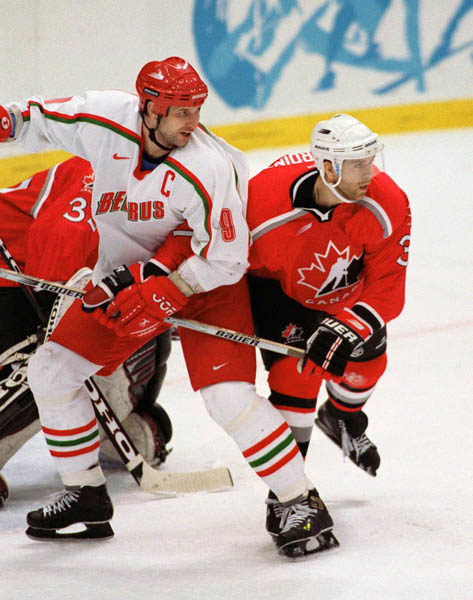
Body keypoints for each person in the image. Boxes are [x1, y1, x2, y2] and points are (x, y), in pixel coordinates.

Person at [0, 57, 332, 557]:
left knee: (227, 397)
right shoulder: (105, 118)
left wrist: (165, 288)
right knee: (52, 371)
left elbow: (226, 258)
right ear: (148, 107)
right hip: (123, 282)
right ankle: (86, 494)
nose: (191, 122)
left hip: (205, 282)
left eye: (197, 110)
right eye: (180, 112)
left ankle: (300, 500)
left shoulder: (209, 165)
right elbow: (33, 120)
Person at [153, 113, 411, 538]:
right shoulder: (260, 204)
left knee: (368, 363)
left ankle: (344, 417)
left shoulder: (389, 203)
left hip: (346, 294)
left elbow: (387, 288)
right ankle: (288, 495)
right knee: (299, 374)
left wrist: (348, 325)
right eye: (358, 163)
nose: (371, 172)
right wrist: (184, 293)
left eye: (371, 159)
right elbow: (201, 242)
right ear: (327, 167)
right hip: (277, 292)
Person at [0, 157, 173, 506]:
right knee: (49, 354)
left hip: (119, 330)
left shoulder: (108, 177)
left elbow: (60, 256)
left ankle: (116, 417)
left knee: (49, 358)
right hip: (49, 305)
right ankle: (113, 426)